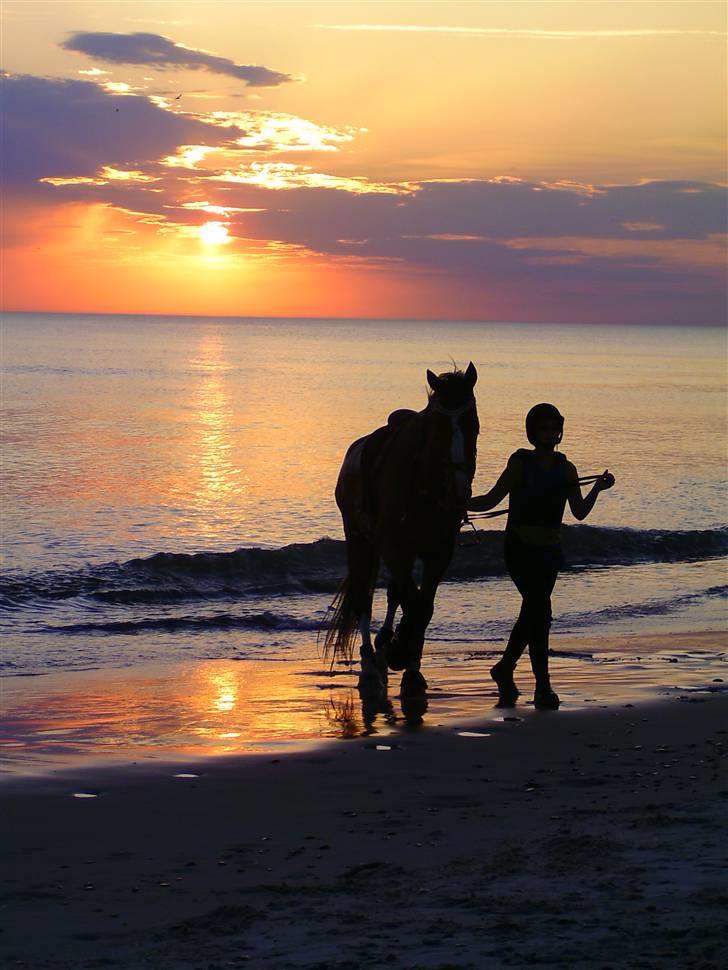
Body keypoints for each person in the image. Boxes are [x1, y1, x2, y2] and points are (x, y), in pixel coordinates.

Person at [467, 403, 615, 710]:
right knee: (539, 611)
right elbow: (492, 498)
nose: (549, 434)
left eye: (553, 428)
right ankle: (542, 687)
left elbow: (579, 512)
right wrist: (459, 505)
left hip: (550, 552)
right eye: (543, 428)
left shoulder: (567, 468)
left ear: (559, 431)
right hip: (520, 548)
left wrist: (598, 488)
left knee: (535, 613)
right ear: (532, 432)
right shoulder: (520, 463)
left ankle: (506, 668)